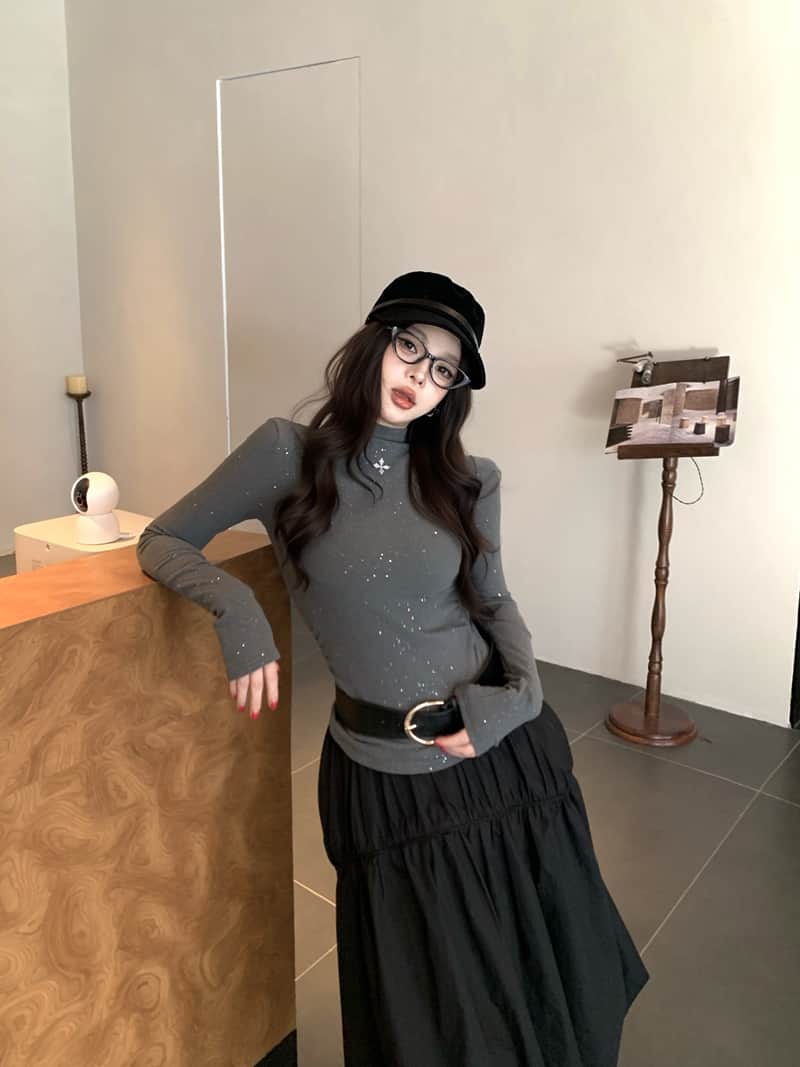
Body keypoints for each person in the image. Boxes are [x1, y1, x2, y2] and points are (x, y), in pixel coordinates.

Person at [136, 270, 649, 1066]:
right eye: (411, 347)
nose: (421, 376)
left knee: (533, 985)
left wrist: (521, 696)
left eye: (445, 369)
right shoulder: (284, 454)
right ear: (376, 342)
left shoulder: (467, 480)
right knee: (426, 1012)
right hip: (380, 778)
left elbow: (495, 601)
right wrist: (238, 610)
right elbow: (163, 539)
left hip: (498, 756)